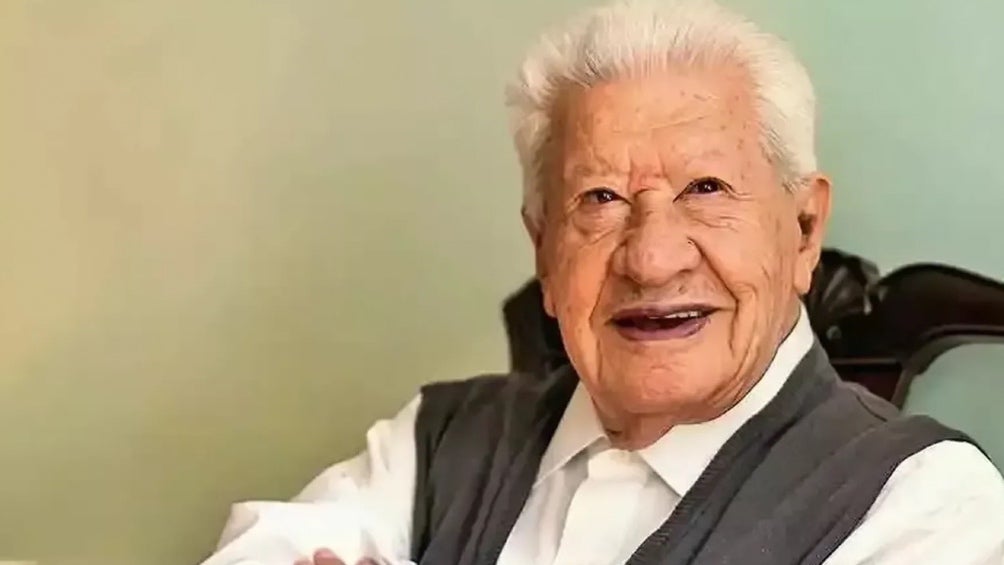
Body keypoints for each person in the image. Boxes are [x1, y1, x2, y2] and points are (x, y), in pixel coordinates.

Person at [202, 1, 1004, 564]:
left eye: (705, 189)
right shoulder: (439, 440)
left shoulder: (926, 502)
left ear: (803, 230)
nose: (651, 259)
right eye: (600, 199)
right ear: (544, 251)